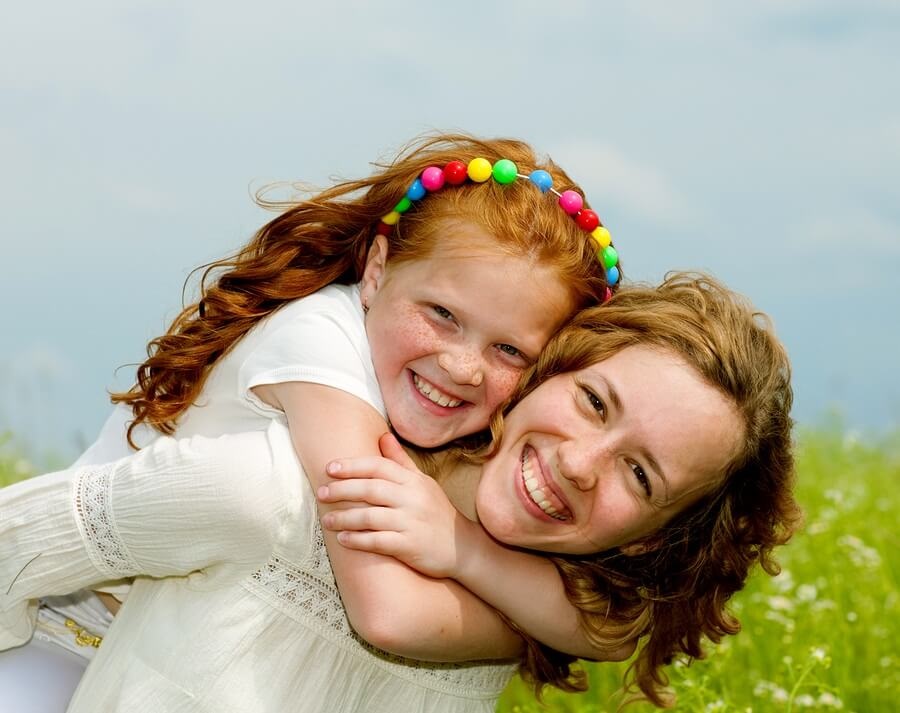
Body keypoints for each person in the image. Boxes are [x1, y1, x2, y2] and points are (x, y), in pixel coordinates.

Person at [1, 132, 623, 709]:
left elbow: (606, 626)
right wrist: (527, 619)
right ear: (376, 272)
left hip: (170, 652)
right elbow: (381, 605)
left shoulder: (474, 428)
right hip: (59, 633)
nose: (464, 368)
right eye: (442, 314)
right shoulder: (319, 341)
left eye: (509, 351)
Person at [0, 273, 798, 710]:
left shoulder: (540, 598)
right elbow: (20, 539)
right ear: (547, 368)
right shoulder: (289, 483)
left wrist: (468, 555)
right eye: (594, 402)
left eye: (640, 474)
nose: (584, 463)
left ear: (651, 537)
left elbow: (608, 627)